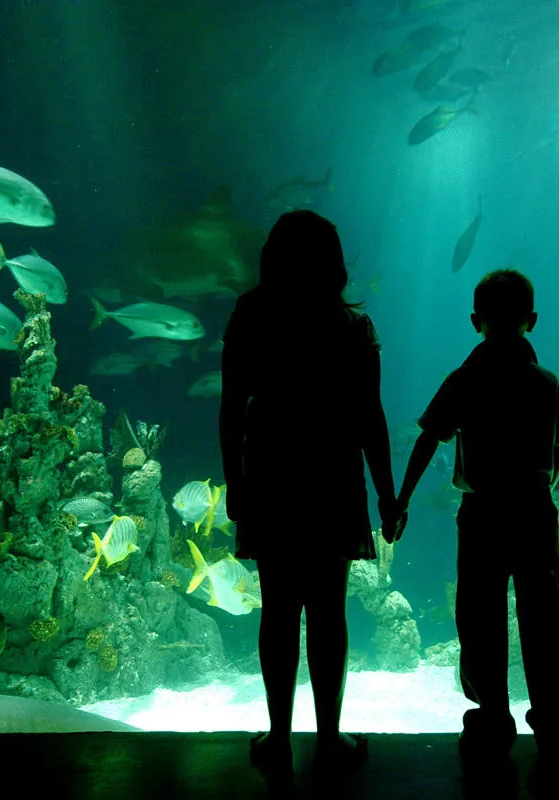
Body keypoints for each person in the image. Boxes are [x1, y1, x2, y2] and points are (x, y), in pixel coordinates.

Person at [220, 210, 397, 771]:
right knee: (327, 611)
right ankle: (327, 738)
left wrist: (234, 484)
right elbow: (372, 419)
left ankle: (277, 737)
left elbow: (230, 410)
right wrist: (388, 493)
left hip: (270, 474)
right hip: (332, 479)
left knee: (277, 610)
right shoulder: (352, 327)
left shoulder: (251, 313)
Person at [389, 269, 559, 763]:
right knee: (544, 615)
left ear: (475, 321)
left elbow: (430, 437)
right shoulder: (547, 383)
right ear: (532, 321)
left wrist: (402, 499)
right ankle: (556, 720)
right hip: (535, 510)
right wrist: (544, 483)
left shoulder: (464, 379)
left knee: (479, 615)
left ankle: (491, 713)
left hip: (482, 513)